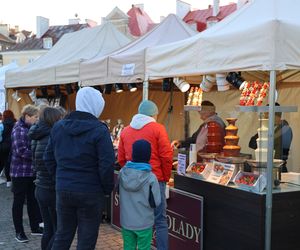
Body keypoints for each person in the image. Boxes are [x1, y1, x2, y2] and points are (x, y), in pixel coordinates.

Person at [44, 87, 115, 250]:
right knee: (86, 239)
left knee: (62, 235)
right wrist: (106, 189)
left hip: (64, 189)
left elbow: (48, 158)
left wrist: (60, 178)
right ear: (96, 105)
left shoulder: (59, 127)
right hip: (90, 191)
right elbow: (106, 164)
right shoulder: (99, 129)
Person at [118, 100, 173, 250]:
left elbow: (121, 158)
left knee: (133, 218)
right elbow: (166, 156)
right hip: (155, 179)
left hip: (130, 180)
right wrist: (165, 177)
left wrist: (131, 174)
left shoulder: (126, 131)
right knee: (160, 220)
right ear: (154, 114)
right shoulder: (158, 129)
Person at [28, 107, 63, 250]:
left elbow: (35, 161)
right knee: (59, 230)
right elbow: (55, 162)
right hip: (51, 188)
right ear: (54, 119)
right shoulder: (53, 136)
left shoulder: (36, 135)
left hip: (40, 186)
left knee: (49, 229)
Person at [119, 139, 161, 250]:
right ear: (148, 155)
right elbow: (156, 202)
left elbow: (118, 192)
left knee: (128, 247)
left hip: (126, 221)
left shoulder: (123, 172)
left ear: (133, 154)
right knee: (144, 247)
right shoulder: (151, 177)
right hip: (144, 222)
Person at [10, 104, 42, 243]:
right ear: (27, 116)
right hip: (20, 173)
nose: (37, 120)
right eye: (35, 117)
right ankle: (19, 232)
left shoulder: (30, 128)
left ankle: (35, 228)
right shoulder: (19, 129)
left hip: (31, 172)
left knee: (33, 201)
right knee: (18, 202)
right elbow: (21, 151)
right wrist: (38, 154)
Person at [249, 102, 293, 172]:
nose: (265, 117)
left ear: (275, 115)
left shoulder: (285, 129)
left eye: (267, 114)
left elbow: (272, 146)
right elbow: (252, 143)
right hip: (267, 167)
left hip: (278, 169)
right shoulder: (268, 128)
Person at [0, 110, 16, 187]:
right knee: (9, 163)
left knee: (2, 163)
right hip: (13, 146)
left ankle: (7, 181)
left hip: (3, 146)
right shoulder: (15, 124)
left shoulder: (2, 125)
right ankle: (10, 181)